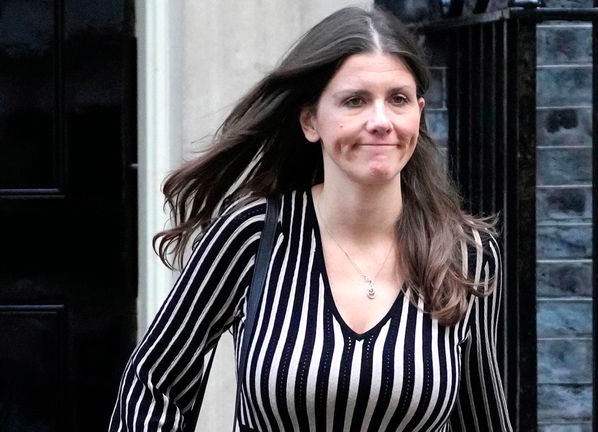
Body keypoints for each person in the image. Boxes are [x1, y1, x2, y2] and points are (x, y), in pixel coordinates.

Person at [109, 5, 512, 432]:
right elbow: (155, 384)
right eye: (355, 100)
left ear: (419, 111)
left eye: (398, 99)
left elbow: (481, 413)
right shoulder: (252, 235)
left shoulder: (466, 253)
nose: (381, 121)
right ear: (310, 121)